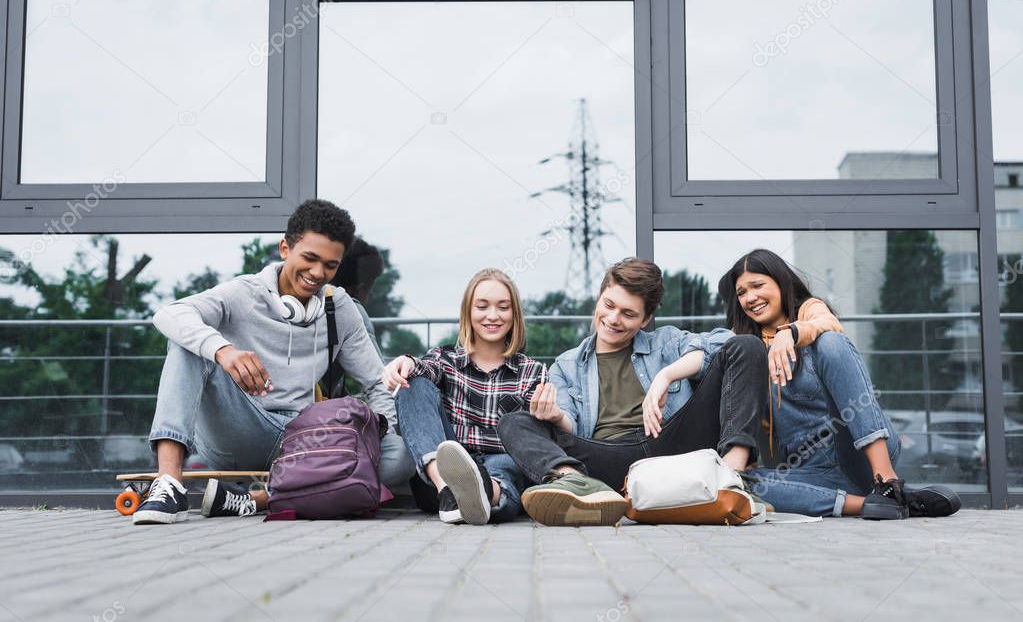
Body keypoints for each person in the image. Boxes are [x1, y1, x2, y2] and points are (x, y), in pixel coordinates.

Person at [133, 199, 415, 524]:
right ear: (285, 248)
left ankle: (256, 500)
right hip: (240, 427)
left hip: (301, 442)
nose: (317, 273)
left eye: (330, 265)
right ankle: (168, 483)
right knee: (188, 343)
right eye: (309, 258)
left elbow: (377, 382)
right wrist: (223, 350)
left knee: (400, 456)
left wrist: (377, 433)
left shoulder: (339, 308)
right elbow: (169, 313)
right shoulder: (242, 293)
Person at [497, 257, 767, 526]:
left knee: (747, 346)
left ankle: (732, 479)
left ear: (646, 318)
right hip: (609, 457)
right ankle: (576, 483)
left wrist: (666, 375)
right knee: (514, 422)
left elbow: (725, 342)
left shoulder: (666, 342)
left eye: (628, 314)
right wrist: (555, 415)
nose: (613, 319)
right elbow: (570, 425)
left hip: (675, 445)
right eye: (609, 305)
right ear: (600, 297)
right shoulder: (566, 365)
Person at [718, 248, 960, 519]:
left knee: (830, 341)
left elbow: (828, 323)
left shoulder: (809, 309)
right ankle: (881, 503)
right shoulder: (745, 347)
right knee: (739, 484)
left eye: (758, 285)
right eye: (741, 293)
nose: (751, 298)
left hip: (856, 448)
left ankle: (888, 482)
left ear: (779, 281)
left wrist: (791, 333)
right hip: (810, 467)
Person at [383, 269, 544, 525]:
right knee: (412, 384)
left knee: (506, 467)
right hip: (441, 469)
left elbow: (526, 438)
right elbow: (423, 369)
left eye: (503, 307)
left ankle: (482, 491)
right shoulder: (444, 359)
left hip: (499, 464)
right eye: (482, 306)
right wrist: (406, 362)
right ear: (468, 312)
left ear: (514, 315)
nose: (493, 315)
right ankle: (449, 490)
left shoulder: (532, 372)